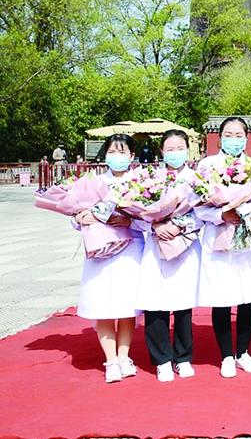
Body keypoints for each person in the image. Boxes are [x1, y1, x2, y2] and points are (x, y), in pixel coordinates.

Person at [194, 117, 251, 378]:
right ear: (219, 138)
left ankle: (243, 353)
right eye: (229, 134)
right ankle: (227, 355)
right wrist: (221, 215)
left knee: (248, 295)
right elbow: (198, 207)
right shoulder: (207, 167)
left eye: (239, 135)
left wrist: (248, 209)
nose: (234, 139)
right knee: (222, 297)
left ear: (247, 139)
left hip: (249, 236)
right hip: (219, 237)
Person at [73, 133, 144, 383]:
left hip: (130, 249)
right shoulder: (93, 183)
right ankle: (111, 361)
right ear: (105, 155)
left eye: (122, 152)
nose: (117, 156)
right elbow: (75, 214)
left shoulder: (141, 183)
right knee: (102, 304)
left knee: (126, 306)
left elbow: (150, 220)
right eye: (112, 152)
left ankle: (124, 357)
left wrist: (129, 221)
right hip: (100, 251)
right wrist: (79, 218)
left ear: (132, 156)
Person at [135, 130, 200, 382]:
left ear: (188, 150)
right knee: (155, 301)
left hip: (185, 245)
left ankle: (183, 357)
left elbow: (204, 213)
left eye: (180, 148)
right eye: (170, 149)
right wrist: (155, 225)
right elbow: (134, 214)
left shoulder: (197, 179)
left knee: (183, 302)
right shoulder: (149, 179)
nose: (175, 153)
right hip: (155, 244)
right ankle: (161, 359)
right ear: (161, 151)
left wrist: (179, 225)